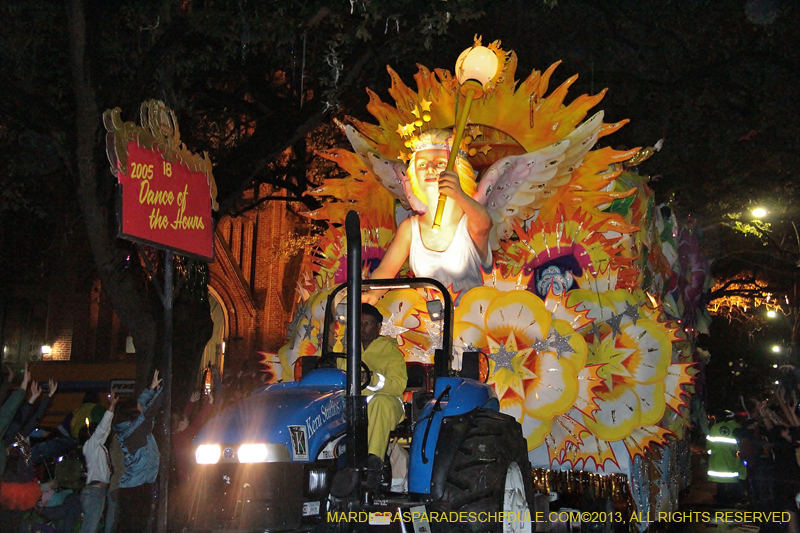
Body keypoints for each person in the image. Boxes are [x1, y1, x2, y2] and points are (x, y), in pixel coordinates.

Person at [363, 129, 492, 303]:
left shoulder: (469, 222)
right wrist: (372, 294)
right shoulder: (410, 229)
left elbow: (484, 225)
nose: (430, 169)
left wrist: (459, 194)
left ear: (456, 172)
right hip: (428, 322)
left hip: (472, 319)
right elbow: (386, 270)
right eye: (422, 165)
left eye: (440, 164)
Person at [337, 304, 407, 480]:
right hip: (354, 407)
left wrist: (372, 378)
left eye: (368, 323)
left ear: (379, 327)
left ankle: (373, 462)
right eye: (360, 324)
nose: (363, 328)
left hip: (387, 404)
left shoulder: (391, 352)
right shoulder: (348, 353)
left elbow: (398, 385)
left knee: (379, 402)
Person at [112, 370, 163, 533]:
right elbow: (149, 412)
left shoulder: (131, 428)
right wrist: (162, 390)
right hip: (136, 488)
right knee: (134, 526)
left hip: (139, 485)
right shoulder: (135, 431)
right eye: (138, 408)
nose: (141, 407)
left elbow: (141, 408)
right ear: (133, 413)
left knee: (134, 525)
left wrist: (150, 389)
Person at [79, 392, 118, 533]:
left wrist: (112, 410)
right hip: (94, 492)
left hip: (98, 491)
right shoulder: (90, 446)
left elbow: (105, 431)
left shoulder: (97, 447)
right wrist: (111, 408)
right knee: (89, 528)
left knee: (91, 526)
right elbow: (102, 429)